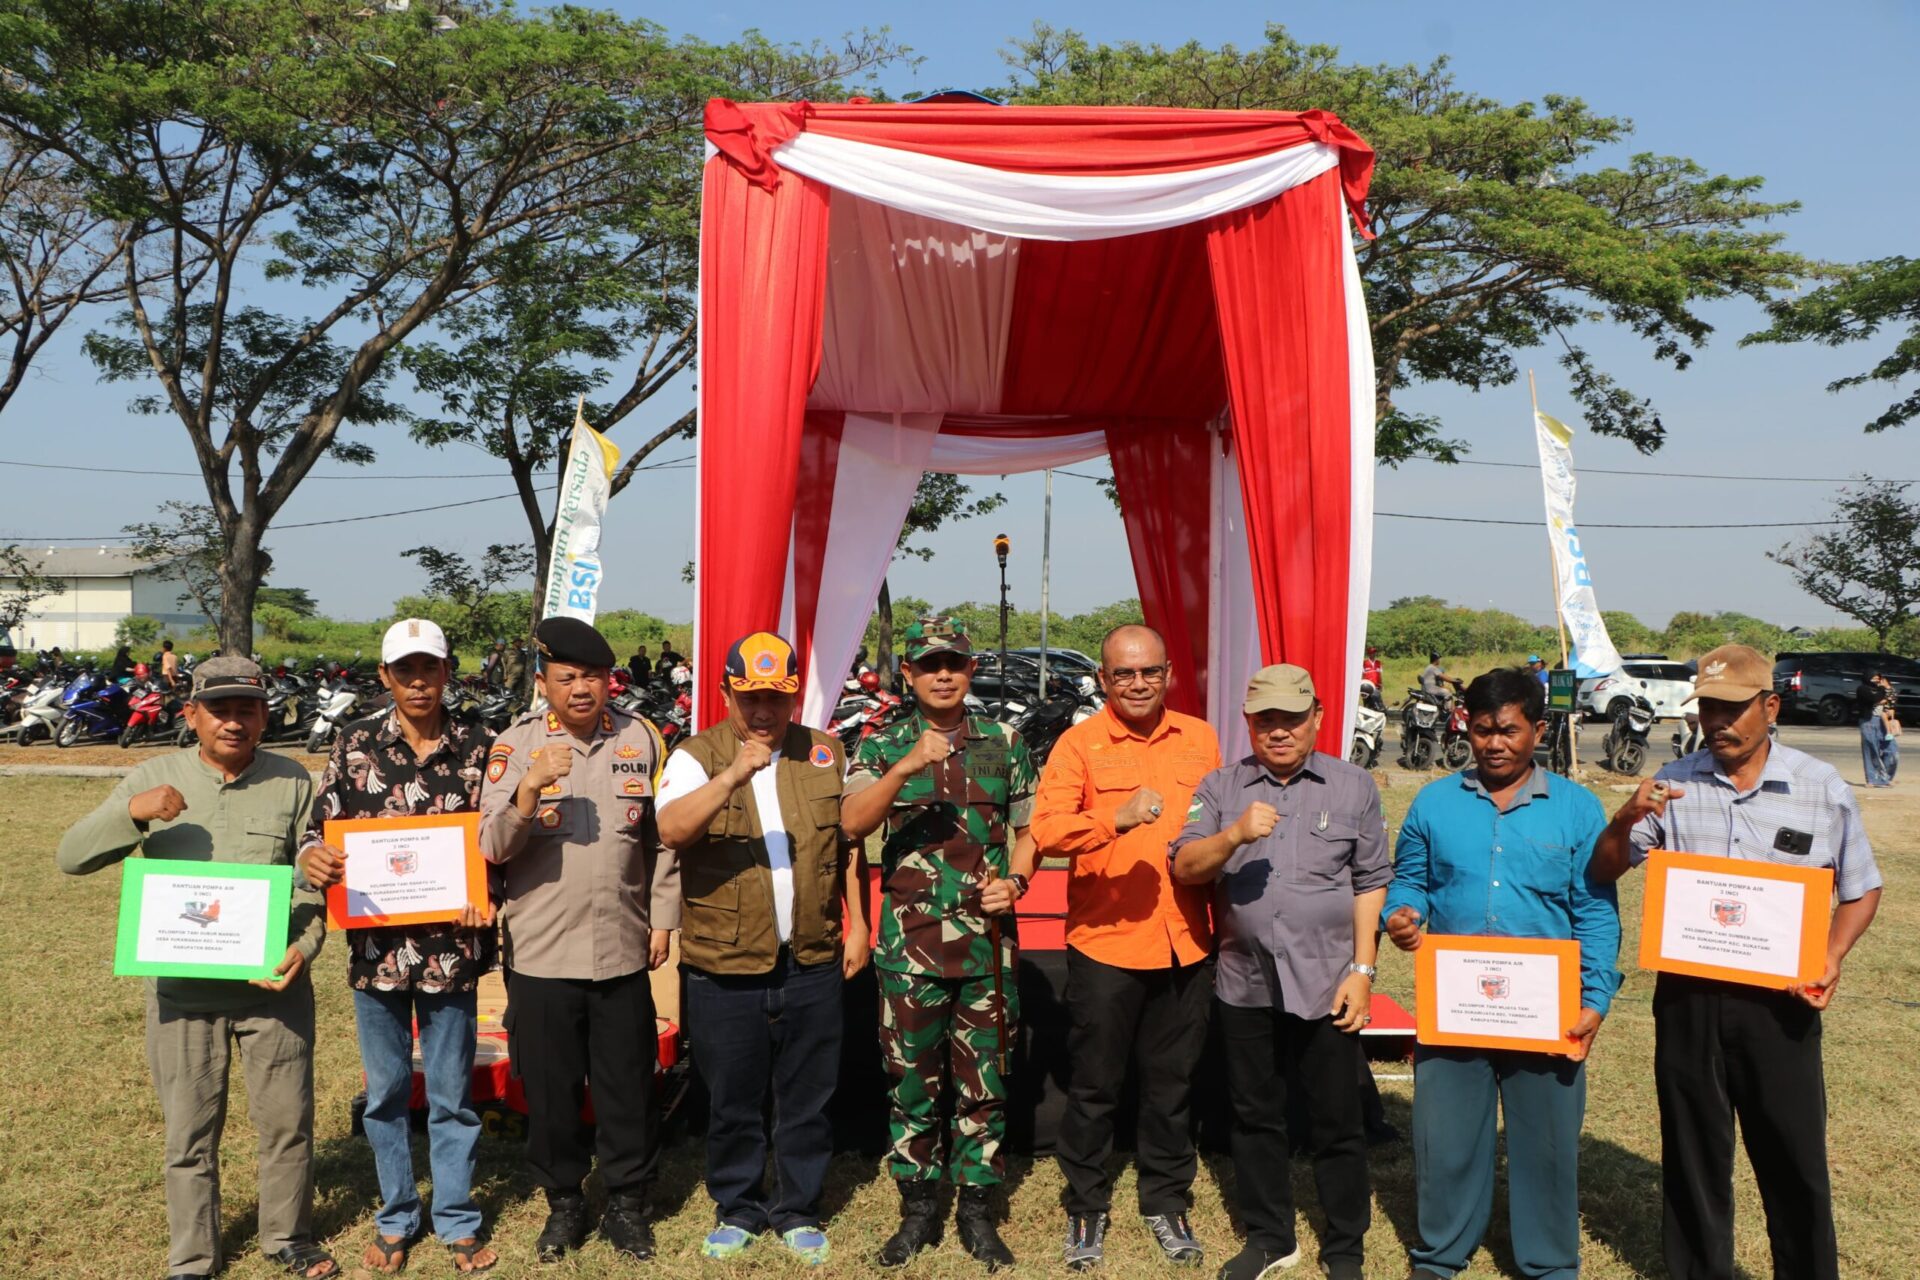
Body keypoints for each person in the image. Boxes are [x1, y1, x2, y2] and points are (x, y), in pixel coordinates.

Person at [1590, 644, 1882, 1280]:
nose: (1718, 722)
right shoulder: (1675, 784)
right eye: (1710, 708)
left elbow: (1861, 888)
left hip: (1781, 1006)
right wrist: (1626, 815)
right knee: (1694, 1156)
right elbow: (1603, 867)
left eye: (1733, 709)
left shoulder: (1818, 786)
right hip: (1689, 1001)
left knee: (1794, 1160)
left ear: (1770, 707)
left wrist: (1830, 957)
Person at [56, 656, 337, 1280]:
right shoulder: (154, 775)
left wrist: (304, 947)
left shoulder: (295, 783)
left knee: (288, 1123)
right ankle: (192, 1257)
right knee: (188, 1134)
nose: (233, 722)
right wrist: (132, 812)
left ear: (265, 715)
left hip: (273, 988)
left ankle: (288, 1237)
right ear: (191, 715)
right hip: (182, 994)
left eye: (247, 709)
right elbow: (71, 859)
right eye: (220, 709)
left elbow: (312, 880)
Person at [1382, 667, 1621, 1280]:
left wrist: (1595, 997)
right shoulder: (1434, 803)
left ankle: (1547, 1264)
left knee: (1546, 1146)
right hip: (1456, 1003)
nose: (1493, 744)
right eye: (1482, 729)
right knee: (1446, 1142)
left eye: (1509, 731)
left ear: (1538, 729)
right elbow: (1410, 879)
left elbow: (1594, 910)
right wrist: (1402, 914)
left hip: (1546, 1010)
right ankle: (1440, 1255)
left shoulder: (1576, 808)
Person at [1170, 664, 1390, 1280]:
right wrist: (1235, 835)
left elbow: (1371, 881)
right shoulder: (1220, 787)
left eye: (1292, 718)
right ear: (1249, 723)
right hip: (1246, 980)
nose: (1279, 731)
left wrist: (1364, 969)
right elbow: (1186, 865)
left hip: (1330, 982)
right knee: (1255, 1114)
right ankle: (1270, 1237)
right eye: (1266, 719)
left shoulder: (1354, 787)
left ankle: (1345, 1247)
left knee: (1336, 1119)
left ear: (1316, 717)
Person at [655, 631, 868, 1265]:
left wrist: (857, 924)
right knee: (733, 1096)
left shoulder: (825, 753)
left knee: (808, 1093)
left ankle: (798, 1207)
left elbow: (849, 844)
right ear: (725, 693)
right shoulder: (695, 756)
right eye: (750, 697)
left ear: (795, 693)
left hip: (811, 957)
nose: (764, 711)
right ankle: (739, 1206)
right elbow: (671, 829)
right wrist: (734, 774)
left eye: (777, 696)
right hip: (725, 963)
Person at [296, 620, 498, 1275]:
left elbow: (498, 841)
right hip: (376, 952)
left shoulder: (478, 746)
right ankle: (397, 1217)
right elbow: (315, 830)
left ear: (448, 672)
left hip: (452, 950)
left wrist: (484, 887)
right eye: (404, 670)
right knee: (384, 1095)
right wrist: (313, 858)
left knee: (451, 1097)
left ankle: (458, 1219)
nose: (418, 681)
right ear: (385, 676)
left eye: (429, 668)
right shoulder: (354, 743)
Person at [478, 616, 678, 1263]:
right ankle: (564, 1203)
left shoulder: (642, 739)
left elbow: (662, 838)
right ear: (544, 682)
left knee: (627, 1086)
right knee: (552, 1090)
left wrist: (665, 917)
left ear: (608, 678)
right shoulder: (513, 747)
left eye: (592, 676)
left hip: (622, 947)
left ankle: (627, 1201)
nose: (582, 688)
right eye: (567, 677)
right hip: (542, 953)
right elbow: (491, 847)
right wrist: (530, 788)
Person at [841, 616, 1037, 1271]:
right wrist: (905, 767)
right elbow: (850, 823)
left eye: (955, 662)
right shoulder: (883, 743)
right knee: (912, 1088)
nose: (944, 673)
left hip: (987, 952)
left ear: (971, 669)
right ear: (910, 674)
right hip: (909, 952)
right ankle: (918, 1214)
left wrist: (1017, 878)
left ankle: (979, 1215)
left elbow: (1030, 829)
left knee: (985, 1089)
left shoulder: (1003, 741)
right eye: (930, 664)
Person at [1029, 624, 1221, 1269]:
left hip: (1187, 940)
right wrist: (1113, 817)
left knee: (1172, 1085)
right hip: (1107, 943)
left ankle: (1166, 1201)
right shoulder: (1078, 744)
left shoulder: (1200, 738)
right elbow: (1047, 829)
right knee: (1096, 1087)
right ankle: (1086, 1207)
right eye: (1123, 674)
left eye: (1149, 672)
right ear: (1103, 680)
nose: (1137, 684)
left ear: (1167, 674)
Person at [1856, 671, 1894, 787]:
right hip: (1868, 721)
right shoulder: (1862, 689)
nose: (1877, 681)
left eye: (1878, 678)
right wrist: (1882, 691)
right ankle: (1872, 780)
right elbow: (1874, 698)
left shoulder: (1879, 688)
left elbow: (1890, 698)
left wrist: (1884, 694)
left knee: (1890, 750)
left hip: (1882, 721)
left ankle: (1885, 777)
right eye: (1874, 678)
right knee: (1870, 750)